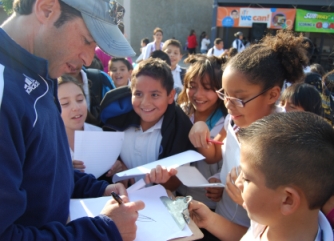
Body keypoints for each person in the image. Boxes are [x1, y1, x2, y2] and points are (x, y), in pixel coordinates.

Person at [0, 0, 145, 240]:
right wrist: (104, 231)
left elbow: (43, 167)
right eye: (87, 40)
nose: (88, 59)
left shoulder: (42, 71)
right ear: (46, 9)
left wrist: (97, 188)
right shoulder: (5, 91)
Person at [187, 30, 308, 240]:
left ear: (272, 94)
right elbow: (218, 152)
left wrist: (247, 200)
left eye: (240, 98)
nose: (228, 104)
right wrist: (218, 179)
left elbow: (282, 217)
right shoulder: (234, 120)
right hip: (218, 218)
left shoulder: (284, 142)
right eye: (224, 93)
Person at [189, 112, 334, 241]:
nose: (237, 182)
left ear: (288, 200)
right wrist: (209, 220)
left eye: (246, 178)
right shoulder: (274, 218)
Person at [99, 58, 195, 190]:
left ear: (170, 96)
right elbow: (107, 154)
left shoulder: (180, 129)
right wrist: (119, 165)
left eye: (155, 95)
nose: (145, 102)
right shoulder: (116, 120)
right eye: (138, 94)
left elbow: (176, 183)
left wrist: (164, 178)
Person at [177, 55, 227, 211]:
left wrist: (219, 179)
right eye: (192, 86)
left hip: (209, 204)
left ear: (221, 89)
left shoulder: (226, 122)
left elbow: (227, 161)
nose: (198, 94)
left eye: (207, 87)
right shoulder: (180, 112)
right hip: (178, 195)